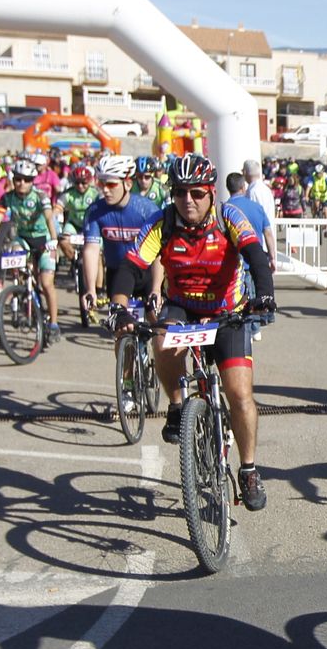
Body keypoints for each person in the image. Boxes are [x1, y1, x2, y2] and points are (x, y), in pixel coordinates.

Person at [109, 154, 277, 510]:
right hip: (181, 306)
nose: (189, 200)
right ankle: (175, 406)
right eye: (181, 192)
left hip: (226, 311)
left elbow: (256, 256)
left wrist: (265, 294)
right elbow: (131, 265)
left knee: (239, 393)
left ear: (211, 194)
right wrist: (120, 305)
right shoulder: (162, 223)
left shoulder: (229, 217)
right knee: (161, 338)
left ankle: (248, 469)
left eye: (197, 193)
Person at [0, 158, 62, 343]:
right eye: (18, 179)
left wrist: (54, 240)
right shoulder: (7, 197)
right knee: (15, 254)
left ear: (32, 180)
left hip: (44, 239)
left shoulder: (40, 196)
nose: (21, 183)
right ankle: (21, 294)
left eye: (26, 179)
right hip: (24, 238)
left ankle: (54, 324)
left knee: (46, 282)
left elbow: (50, 218)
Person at [81, 155, 160, 318]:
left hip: (147, 273)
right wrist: (90, 289)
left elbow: (160, 252)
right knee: (120, 327)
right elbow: (91, 251)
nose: (105, 189)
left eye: (111, 184)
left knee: (156, 323)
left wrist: (157, 288)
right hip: (116, 273)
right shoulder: (95, 211)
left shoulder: (147, 210)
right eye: (101, 183)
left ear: (128, 184)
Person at [56, 163, 97, 269]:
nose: (80, 186)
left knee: (98, 251)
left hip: (90, 225)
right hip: (73, 224)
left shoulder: (94, 193)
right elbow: (58, 207)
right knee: (63, 241)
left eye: (83, 183)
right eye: (77, 183)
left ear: (89, 181)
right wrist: (53, 216)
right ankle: (75, 261)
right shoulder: (69, 194)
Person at [242, 157, 276, 222]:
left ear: (245, 172)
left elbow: (253, 215)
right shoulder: (266, 189)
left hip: (258, 230)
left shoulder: (253, 191)